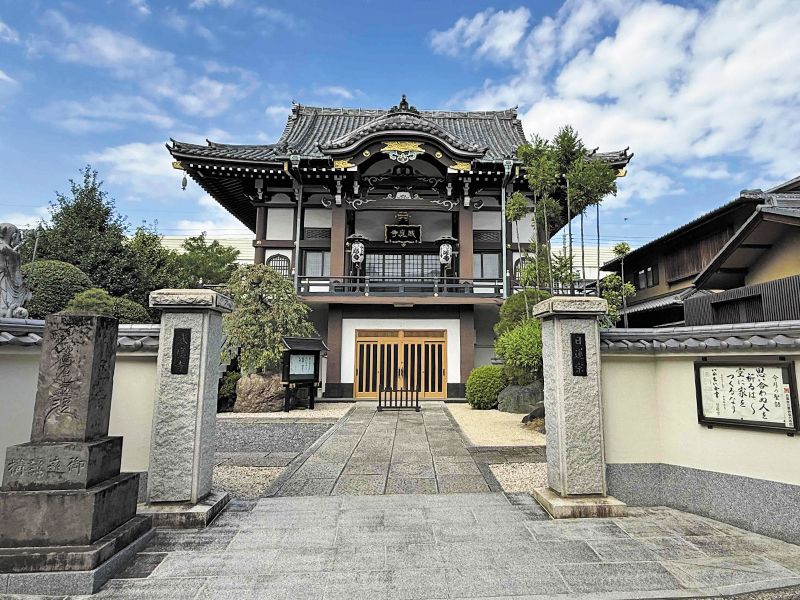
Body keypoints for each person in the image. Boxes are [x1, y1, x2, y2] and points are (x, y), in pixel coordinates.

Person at [0, 223, 31, 318]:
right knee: (22, 312)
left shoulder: (5, 248)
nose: (19, 241)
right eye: (18, 238)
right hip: (4, 287)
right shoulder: (7, 250)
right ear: (14, 236)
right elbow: (16, 278)